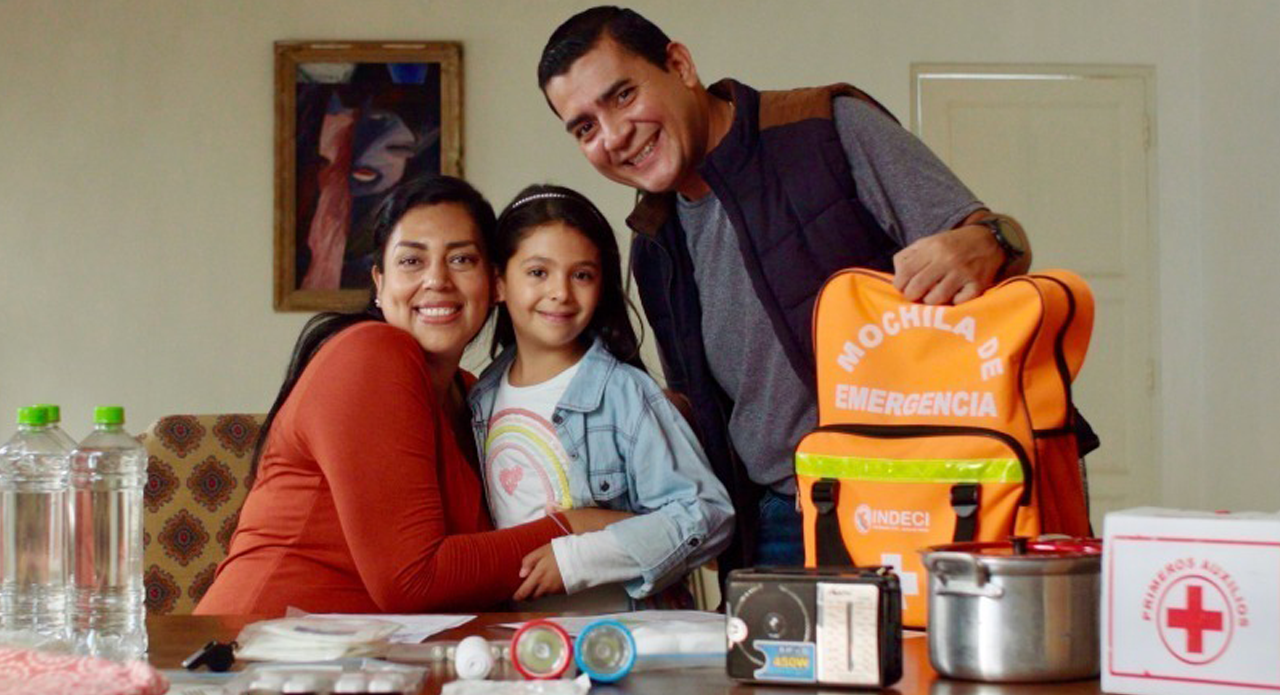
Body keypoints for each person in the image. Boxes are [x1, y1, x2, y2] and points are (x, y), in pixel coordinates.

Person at [537, 7, 1050, 569]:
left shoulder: (826, 129)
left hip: (920, 495)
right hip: (777, 521)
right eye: (585, 127)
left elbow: (997, 244)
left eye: (623, 96)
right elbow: (703, 407)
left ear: (680, 65)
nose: (614, 136)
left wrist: (990, 239)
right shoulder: (654, 244)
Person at [196, 176, 624, 616]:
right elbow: (413, 581)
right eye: (411, 261)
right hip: (259, 644)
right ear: (379, 284)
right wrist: (579, 527)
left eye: (461, 259)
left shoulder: (474, 394)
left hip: (379, 651)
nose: (437, 280)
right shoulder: (369, 354)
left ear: (495, 283)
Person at [468, 184, 734, 612]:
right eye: (538, 272)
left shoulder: (626, 394)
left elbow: (707, 514)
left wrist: (578, 559)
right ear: (498, 282)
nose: (561, 292)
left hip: (627, 634)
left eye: (582, 275)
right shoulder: (480, 398)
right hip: (527, 637)